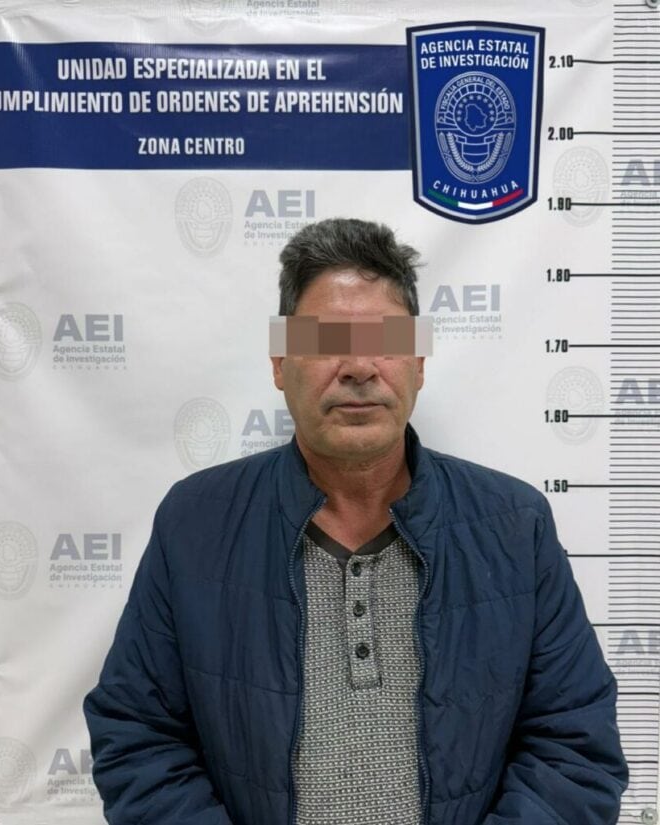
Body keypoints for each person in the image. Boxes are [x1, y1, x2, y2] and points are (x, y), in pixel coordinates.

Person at [83, 218, 628, 825]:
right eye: (324, 340)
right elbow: (137, 736)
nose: (358, 366)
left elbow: (574, 747)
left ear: (418, 363)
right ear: (279, 362)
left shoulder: (515, 527)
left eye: (385, 339)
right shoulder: (195, 523)